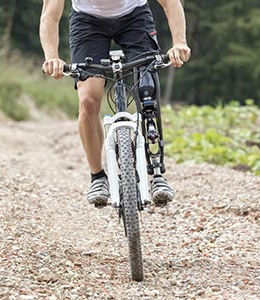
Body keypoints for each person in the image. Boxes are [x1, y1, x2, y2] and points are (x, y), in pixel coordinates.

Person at [40, 0, 191, 207]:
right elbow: (50, 14)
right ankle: (97, 177)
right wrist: (52, 57)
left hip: (134, 16)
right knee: (88, 100)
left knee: (147, 91)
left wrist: (179, 42)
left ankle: (157, 173)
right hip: (87, 22)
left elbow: (170, 3)